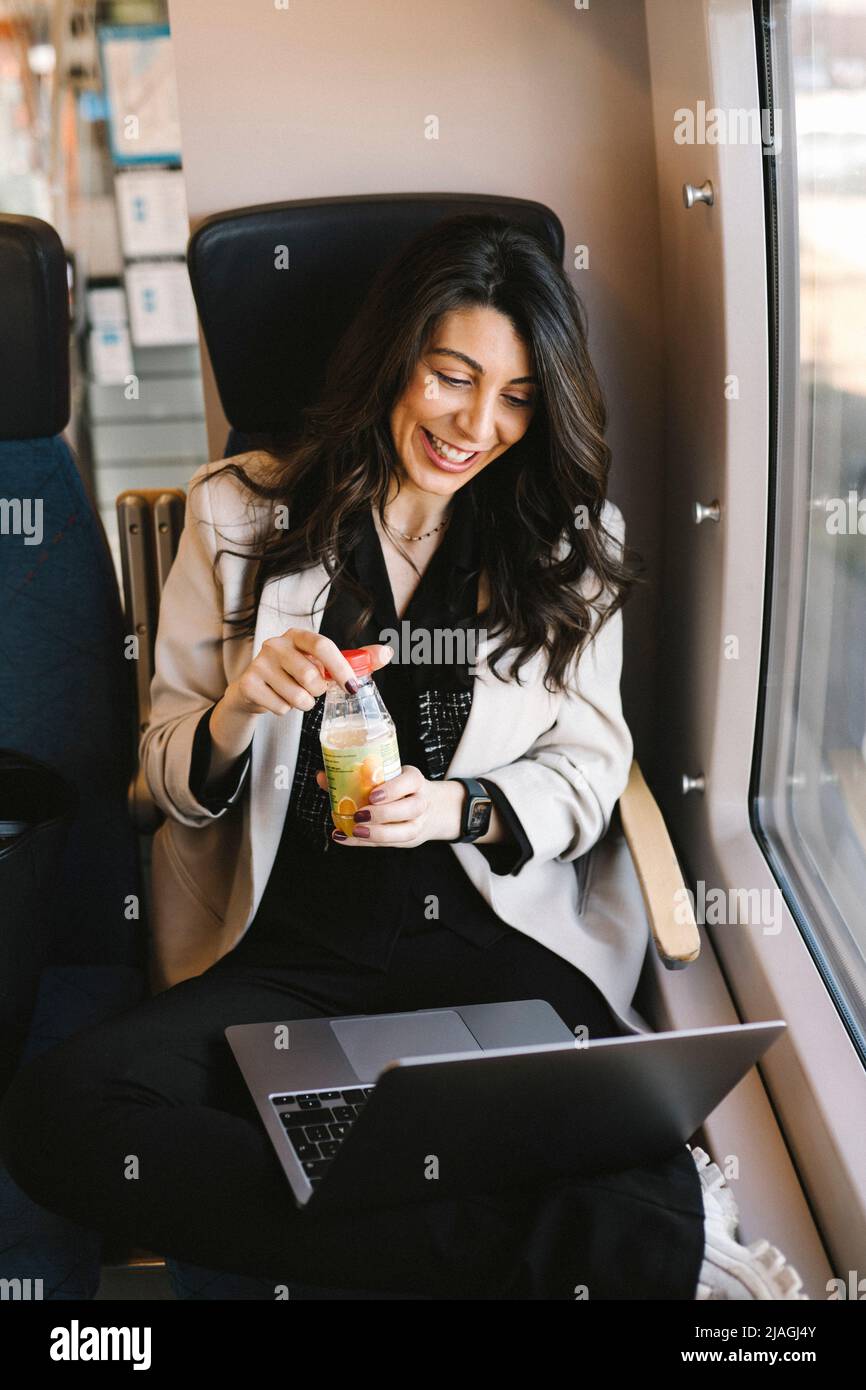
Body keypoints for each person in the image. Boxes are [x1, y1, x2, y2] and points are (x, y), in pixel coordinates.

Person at [0, 214, 805, 1299]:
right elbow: (156, 783)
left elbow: (588, 769)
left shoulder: (569, 544)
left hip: (495, 944)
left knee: (626, 1132)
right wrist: (239, 707)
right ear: (395, 358)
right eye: (448, 377)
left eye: (516, 396)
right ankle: (599, 1247)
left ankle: (488, 1230)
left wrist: (463, 807)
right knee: (57, 1117)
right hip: (288, 959)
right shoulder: (240, 514)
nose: (476, 423)